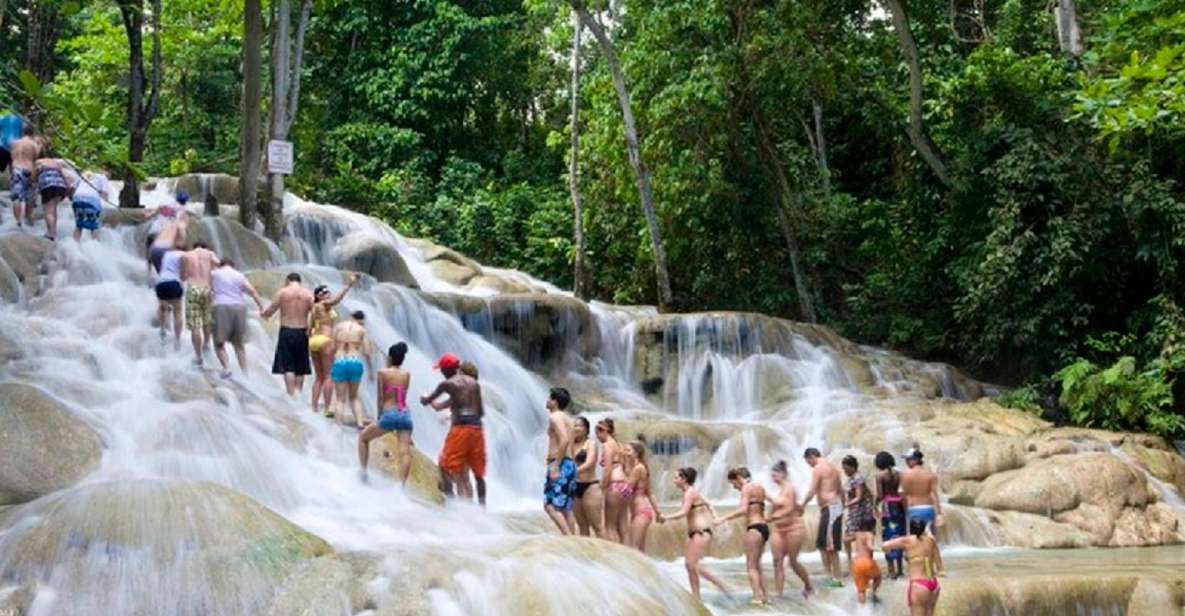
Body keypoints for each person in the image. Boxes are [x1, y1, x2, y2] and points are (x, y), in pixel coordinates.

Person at [422, 353, 487, 506]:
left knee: (445, 466)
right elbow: (481, 412)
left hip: (461, 430)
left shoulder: (448, 384)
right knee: (476, 474)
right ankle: (481, 509)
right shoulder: (474, 384)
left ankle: (452, 506)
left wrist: (424, 397)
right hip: (477, 429)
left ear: (445, 370)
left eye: (441, 370)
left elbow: (429, 401)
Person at [660, 467, 730, 602]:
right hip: (695, 533)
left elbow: (684, 512)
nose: (674, 480)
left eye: (676, 477)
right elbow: (709, 503)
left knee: (693, 565)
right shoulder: (691, 492)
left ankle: (722, 586)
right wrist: (715, 516)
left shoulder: (689, 493)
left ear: (684, 479)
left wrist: (666, 517)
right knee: (689, 565)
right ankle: (696, 597)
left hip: (701, 532)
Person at [358, 342, 413, 484]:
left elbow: (381, 397)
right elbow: (402, 396)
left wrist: (379, 416)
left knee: (363, 438)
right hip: (404, 414)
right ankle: (401, 487)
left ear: (389, 357)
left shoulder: (382, 373)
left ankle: (363, 473)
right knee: (405, 452)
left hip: (389, 413)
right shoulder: (407, 374)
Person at [715, 467, 770, 606]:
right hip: (764, 528)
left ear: (738, 477)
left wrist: (723, 518)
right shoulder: (760, 487)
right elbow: (771, 504)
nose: (734, 488)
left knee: (751, 566)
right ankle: (765, 597)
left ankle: (757, 598)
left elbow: (743, 509)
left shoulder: (746, 488)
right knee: (758, 565)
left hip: (754, 528)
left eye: (733, 484)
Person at [308, 277, 358, 416]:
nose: (327, 293)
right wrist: (348, 285)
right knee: (328, 376)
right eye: (323, 292)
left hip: (313, 341)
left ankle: (313, 406)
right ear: (318, 296)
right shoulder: (324, 304)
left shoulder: (313, 308)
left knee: (318, 377)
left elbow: (309, 328)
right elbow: (336, 300)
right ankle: (326, 409)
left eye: (327, 291)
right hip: (325, 340)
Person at [261, 272, 315, 397]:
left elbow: (271, 309)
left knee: (288, 365)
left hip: (286, 330)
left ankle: (291, 395)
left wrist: (264, 314)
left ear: (287, 280)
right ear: (300, 281)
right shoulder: (308, 294)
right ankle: (299, 394)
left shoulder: (282, 292)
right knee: (301, 365)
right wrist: (311, 328)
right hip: (303, 331)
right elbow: (316, 312)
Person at [767, 460, 813, 599]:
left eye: (776, 474)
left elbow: (788, 509)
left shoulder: (790, 488)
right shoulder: (779, 491)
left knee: (793, 561)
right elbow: (776, 507)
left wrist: (771, 518)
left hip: (794, 528)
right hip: (779, 530)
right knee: (777, 561)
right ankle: (778, 593)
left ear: (784, 474)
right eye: (772, 474)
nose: (773, 477)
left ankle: (808, 585)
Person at [210, 258, 263, 378]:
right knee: (238, 344)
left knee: (219, 343)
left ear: (220, 265)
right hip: (239, 308)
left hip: (221, 306)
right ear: (232, 265)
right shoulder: (239, 275)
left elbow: (208, 289)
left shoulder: (214, 273)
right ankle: (245, 373)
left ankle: (226, 368)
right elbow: (252, 291)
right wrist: (260, 306)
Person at [800, 447, 844, 588]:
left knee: (830, 546)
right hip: (834, 507)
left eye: (808, 462)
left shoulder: (819, 468)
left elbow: (812, 490)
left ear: (811, 457)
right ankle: (830, 575)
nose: (809, 465)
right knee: (822, 544)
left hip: (831, 508)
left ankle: (835, 577)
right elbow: (840, 489)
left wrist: (802, 505)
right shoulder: (833, 467)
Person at [883, 518, 941, 616]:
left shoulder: (906, 540)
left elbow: (885, 545)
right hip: (933, 584)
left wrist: (900, 552)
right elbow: (930, 535)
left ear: (910, 529)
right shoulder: (931, 540)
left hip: (919, 585)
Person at [901, 448, 945, 576]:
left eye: (908, 459)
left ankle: (921, 570)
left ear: (915, 460)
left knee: (916, 541)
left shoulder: (906, 475)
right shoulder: (930, 475)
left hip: (914, 509)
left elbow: (905, 495)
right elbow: (933, 494)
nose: (906, 462)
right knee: (931, 540)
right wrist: (939, 513)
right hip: (928, 509)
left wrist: (905, 512)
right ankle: (940, 569)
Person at [330, 310, 374, 429]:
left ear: (350, 317)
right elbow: (367, 351)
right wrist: (370, 370)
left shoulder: (339, 327)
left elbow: (332, 347)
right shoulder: (361, 330)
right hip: (355, 361)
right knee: (354, 397)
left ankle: (338, 424)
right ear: (361, 320)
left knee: (340, 399)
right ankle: (360, 423)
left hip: (340, 361)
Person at [181, 241, 221, 367]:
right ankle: (207, 344)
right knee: (206, 318)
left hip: (193, 288)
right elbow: (219, 265)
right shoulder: (209, 254)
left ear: (194, 247)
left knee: (195, 325)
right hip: (207, 288)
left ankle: (198, 356)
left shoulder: (187, 255)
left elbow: (182, 276)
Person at [544, 387, 577, 535]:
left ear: (555, 402)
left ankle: (568, 539)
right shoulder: (568, 418)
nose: (547, 400)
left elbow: (563, 440)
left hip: (561, 463)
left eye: (549, 398)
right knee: (566, 508)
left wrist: (556, 465)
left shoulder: (555, 417)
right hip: (569, 463)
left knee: (550, 506)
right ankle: (574, 542)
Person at [596, 418, 630, 544]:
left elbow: (607, 469)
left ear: (602, 431)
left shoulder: (607, 445)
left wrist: (602, 489)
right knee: (624, 526)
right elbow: (625, 466)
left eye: (597, 432)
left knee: (610, 527)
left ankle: (615, 559)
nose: (597, 437)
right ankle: (628, 555)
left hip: (614, 485)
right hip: (625, 485)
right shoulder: (619, 445)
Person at [570, 416, 604, 537]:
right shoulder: (570, 444)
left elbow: (590, 463)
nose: (576, 428)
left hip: (590, 486)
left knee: (597, 526)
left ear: (586, 429)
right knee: (582, 525)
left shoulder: (591, 443)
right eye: (574, 425)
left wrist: (573, 472)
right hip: (574, 487)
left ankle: (607, 553)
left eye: (579, 425)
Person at [875, 451, 907, 579]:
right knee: (899, 536)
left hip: (888, 507)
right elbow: (902, 492)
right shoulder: (899, 474)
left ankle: (891, 570)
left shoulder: (880, 476)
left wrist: (874, 504)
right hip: (899, 506)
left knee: (888, 537)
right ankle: (900, 569)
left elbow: (880, 495)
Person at [626, 440, 661, 551]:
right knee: (640, 549)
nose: (625, 453)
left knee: (634, 548)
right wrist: (658, 513)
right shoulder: (641, 467)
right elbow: (650, 493)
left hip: (640, 511)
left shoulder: (638, 468)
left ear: (636, 453)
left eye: (628, 450)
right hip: (643, 511)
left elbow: (626, 490)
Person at [842, 456, 875, 573]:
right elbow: (870, 494)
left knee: (855, 538)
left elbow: (859, 497)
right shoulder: (853, 478)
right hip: (855, 511)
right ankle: (855, 562)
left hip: (860, 512)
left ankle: (859, 562)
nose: (844, 471)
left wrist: (846, 504)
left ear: (852, 467)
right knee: (855, 537)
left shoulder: (858, 478)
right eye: (843, 468)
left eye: (846, 468)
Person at [146, 192, 187, 276]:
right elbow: (179, 224)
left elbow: (149, 215)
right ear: (185, 201)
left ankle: (149, 274)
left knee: (150, 255)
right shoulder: (181, 209)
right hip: (165, 235)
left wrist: (147, 214)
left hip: (153, 230)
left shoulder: (164, 204)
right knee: (166, 258)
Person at [8, 126, 41, 229]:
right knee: (30, 197)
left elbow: (11, 158)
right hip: (29, 169)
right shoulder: (33, 144)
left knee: (16, 197)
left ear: (23, 132)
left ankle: (18, 221)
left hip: (16, 169)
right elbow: (35, 160)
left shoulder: (14, 143)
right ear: (32, 134)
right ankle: (27, 218)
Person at [154, 242, 186, 350]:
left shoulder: (167, 254)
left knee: (162, 307)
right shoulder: (183, 255)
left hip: (161, 282)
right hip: (174, 283)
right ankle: (177, 339)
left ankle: (162, 330)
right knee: (178, 311)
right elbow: (183, 274)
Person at [33, 157, 74, 241]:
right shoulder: (56, 163)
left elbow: (34, 176)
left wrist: (32, 182)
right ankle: (53, 231)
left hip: (48, 186)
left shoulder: (39, 162)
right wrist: (68, 189)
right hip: (61, 187)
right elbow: (64, 175)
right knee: (53, 209)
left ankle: (50, 233)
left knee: (48, 211)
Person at [70, 169, 113, 241]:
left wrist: (72, 198)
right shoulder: (103, 177)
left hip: (77, 198)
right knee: (94, 227)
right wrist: (107, 201)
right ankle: (95, 246)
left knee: (79, 225)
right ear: (107, 173)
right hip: (91, 200)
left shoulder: (85, 174)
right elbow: (105, 194)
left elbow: (72, 187)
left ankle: (75, 244)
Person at [851, 519, 882, 605]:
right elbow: (870, 546)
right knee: (878, 577)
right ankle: (872, 594)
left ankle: (862, 611)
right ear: (872, 526)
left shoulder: (857, 534)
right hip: (867, 562)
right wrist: (879, 548)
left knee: (861, 590)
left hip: (856, 563)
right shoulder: (869, 534)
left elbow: (846, 539)